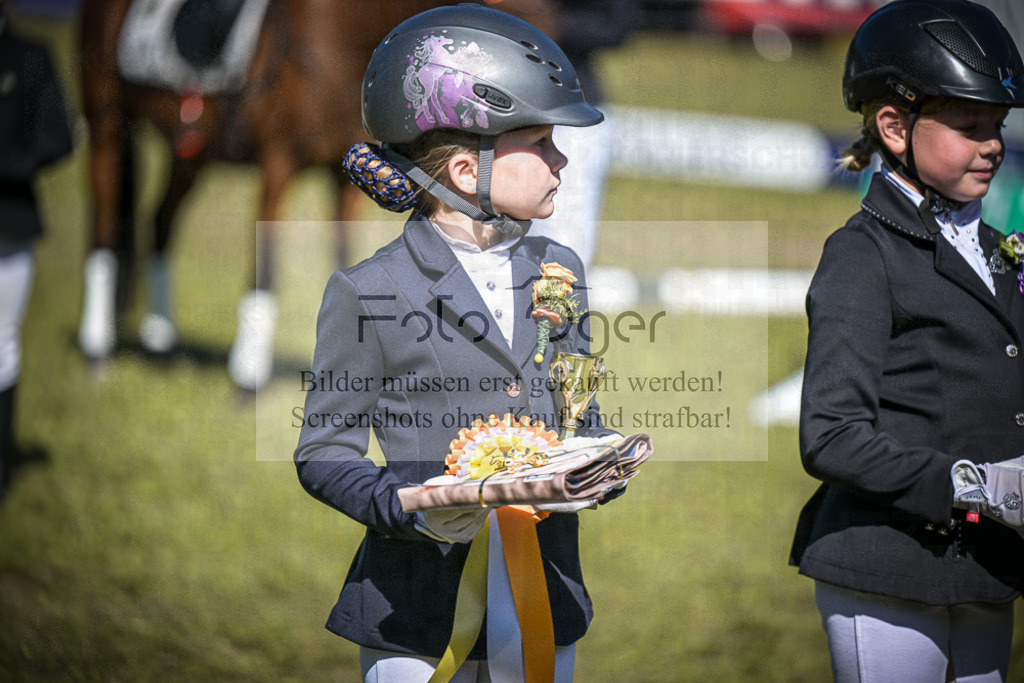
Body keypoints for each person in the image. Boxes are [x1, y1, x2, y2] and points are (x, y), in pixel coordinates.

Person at [293, 6, 619, 681]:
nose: (561, 159)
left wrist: (598, 460)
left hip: (545, 600)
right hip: (416, 614)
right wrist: (411, 506)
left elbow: (577, 415)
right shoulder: (368, 290)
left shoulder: (561, 271)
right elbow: (324, 452)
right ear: (469, 172)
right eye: (542, 142)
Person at [789, 1, 1024, 680]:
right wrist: (975, 487)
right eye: (969, 127)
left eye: (998, 126)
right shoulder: (862, 255)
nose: (992, 144)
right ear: (895, 126)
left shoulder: (999, 250)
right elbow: (831, 434)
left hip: (987, 569)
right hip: (888, 572)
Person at [0, 0, 73, 503]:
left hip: (8, 222)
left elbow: (58, 137)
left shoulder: (29, 57)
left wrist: (11, 165)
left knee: (2, 343)